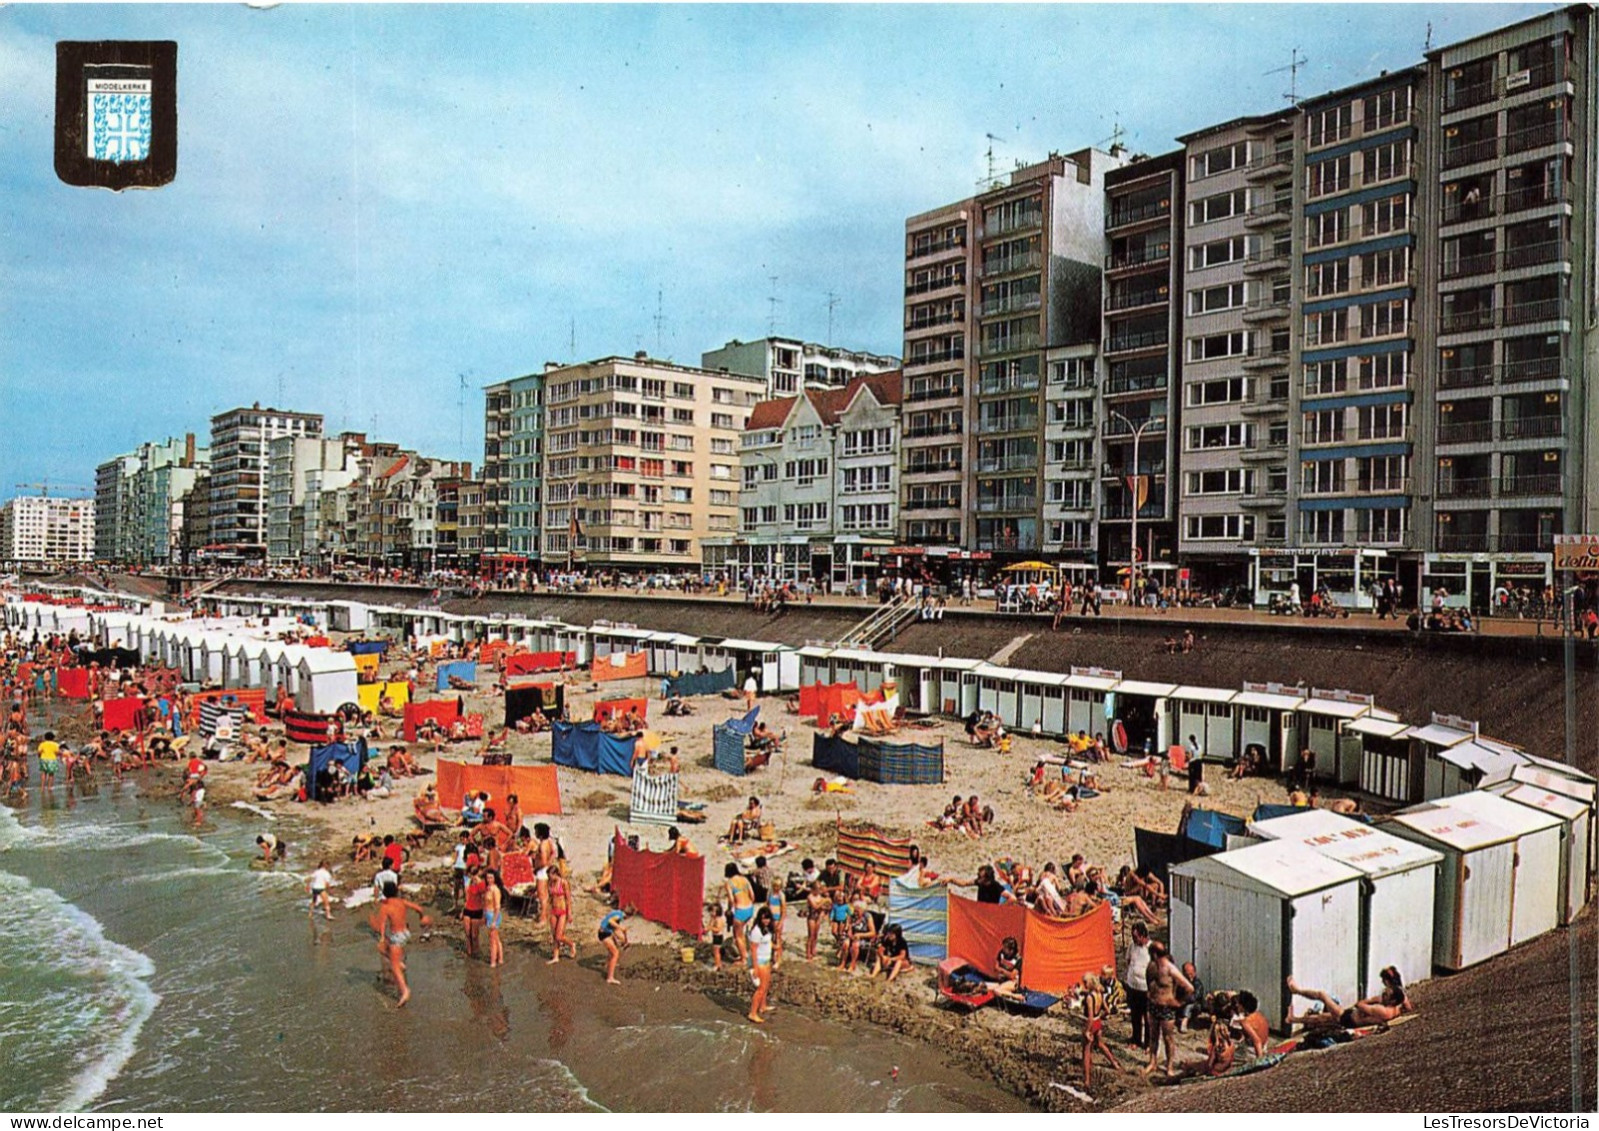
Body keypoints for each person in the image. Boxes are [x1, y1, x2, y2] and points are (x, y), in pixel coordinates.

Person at [1285, 968, 1412, 1030]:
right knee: (1322, 1018)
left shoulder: (1382, 1009)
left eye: (1386, 995)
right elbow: (1407, 1006)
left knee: (1322, 995)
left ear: (1392, 1001)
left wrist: (1373, 1000)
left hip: (1347, 1017)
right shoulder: (1396, 1007)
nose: (1383, 994)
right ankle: (1292, 1019)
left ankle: (1296, 990)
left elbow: (1359, 1004)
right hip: (1350, 1019)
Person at [375, 880, 432, 1008]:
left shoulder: (385, 907)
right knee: (383, 949)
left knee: (394, 967)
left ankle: (405, 990)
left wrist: (382, 937)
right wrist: (422, 917)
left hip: (397, 936)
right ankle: (400, 963)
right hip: (406, 933)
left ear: (384, 893)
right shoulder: (401, 902)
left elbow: (382, 924)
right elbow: (419, 908)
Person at [1143, 942, 1193, 1078]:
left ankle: (1169, 1067)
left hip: (1166, 1007)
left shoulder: (1170, 969)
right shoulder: (1151, 966)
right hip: (1153, 1005)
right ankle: (1152, 1062)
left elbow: (1189, 987)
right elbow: (1149, 983)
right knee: (1153, 1037)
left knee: (1168, 1038)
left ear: (1154, 954)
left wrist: (1179, 1002)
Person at [1080, 971, 1124, 1088]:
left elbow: (1089, 1017)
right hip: (1098, 1021)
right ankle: (1114, 1063)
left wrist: (1087, 1031)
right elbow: (1108, 1010)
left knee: (1086, 1051)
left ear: (1090, 983)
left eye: (1085, 982)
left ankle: (1087, 1081)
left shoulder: (1089, 997)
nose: (1084, 984)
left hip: (1091, 1022)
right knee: (1100, 1044)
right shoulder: (1099, 993)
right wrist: (1101, 1017)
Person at [747, 904, 776, 1023]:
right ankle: (752, 1013)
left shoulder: (768, 929)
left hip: (766, 959)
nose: (766, 921)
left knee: (766, 985)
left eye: (768, 918)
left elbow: (767, 943)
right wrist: (755, 968)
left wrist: (776, 947)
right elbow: (753, 949)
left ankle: (762, 1006)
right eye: (764, 918)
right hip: (759, 961)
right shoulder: (756, 931)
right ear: (760, 918)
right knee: (761, 988)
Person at [1125, 923, 1152, 1050]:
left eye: (1136, 937)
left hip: (1146, 989)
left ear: (1143, 935)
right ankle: (1135, 1039)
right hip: (1132, 986)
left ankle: (1148, 1043)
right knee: (1135, 1015)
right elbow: (1128, 960)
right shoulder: (1132, 946)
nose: (1134, 939)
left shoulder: (1151, 949)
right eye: (1133, 937)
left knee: (1147, 1018)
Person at [724, 863, 756, 963]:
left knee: (738, 935)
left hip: (740, 910)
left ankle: (743, 959)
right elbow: (752, 895)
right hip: (749, 908)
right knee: (738, 932)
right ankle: (744, 953)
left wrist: (729, 909)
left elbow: (731, 899)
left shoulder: (729, 883)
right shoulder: (745, 879)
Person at [544, 869, 577, 963]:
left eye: (550, 875)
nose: (549, 878)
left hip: (562, 911)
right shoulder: (549, 883)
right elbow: (549, 898)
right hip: (553, 910)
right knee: (554, 935)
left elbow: (568, 899)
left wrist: (569, 913)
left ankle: (571, 944)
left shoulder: (563, 882)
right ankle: (555, 956)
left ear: (555, 874)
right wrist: (546, 911)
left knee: (559, 936)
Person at [598, 906, 630, 985]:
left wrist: (624, 940)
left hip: (606, 933)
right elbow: (610, 921)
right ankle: (610, 977)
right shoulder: (619, 916)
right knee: (615, 953)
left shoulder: (617, 912)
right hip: (604, 934)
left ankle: (609, 964)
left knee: (613, 948)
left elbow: (614, 930)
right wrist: (621, 928)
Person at [483, 868, 505, 968]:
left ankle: (493, 962)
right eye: (487, 878)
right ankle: (500, 959)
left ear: (495, 878)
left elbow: (497, 907)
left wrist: (494, 921)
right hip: (488, 914)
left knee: (492, 941)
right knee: (496, 939)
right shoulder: (488, 888)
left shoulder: (495, 890)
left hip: (493, 915)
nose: (489, 879)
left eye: (491, 877)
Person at [462, 865, 486, 959]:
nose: (472, 876)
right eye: (471, 874)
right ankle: (469, 953)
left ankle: (476, 953)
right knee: (467, 933)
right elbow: (466, 898)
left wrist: (484, 914)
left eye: (474, 874)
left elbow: (484, 898)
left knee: (474, 935)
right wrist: (462, 910)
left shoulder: (481, 884)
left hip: (477, 910)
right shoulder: (468, 883)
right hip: (468, 909)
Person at [1177, 961, 1206, 1032]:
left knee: (1189, 1006)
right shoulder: (1181, 983)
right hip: (1181, 1004)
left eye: (1191, 973)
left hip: (1195, 1006)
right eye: (1187, 973)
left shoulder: (1198, 984)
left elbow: (1195, 997)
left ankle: (1184, 1022)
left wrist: (1184, 1000)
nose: (1189, 975)